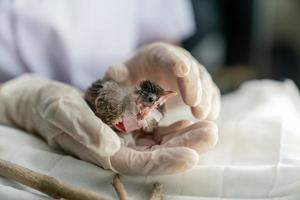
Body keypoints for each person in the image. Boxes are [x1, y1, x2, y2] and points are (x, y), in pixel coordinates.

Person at [0, 0, 220, 175]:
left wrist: (176, 70)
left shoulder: (149, 115)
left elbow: (165, 34)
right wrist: (20, 101)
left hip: (119, 85)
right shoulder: (116, 109)